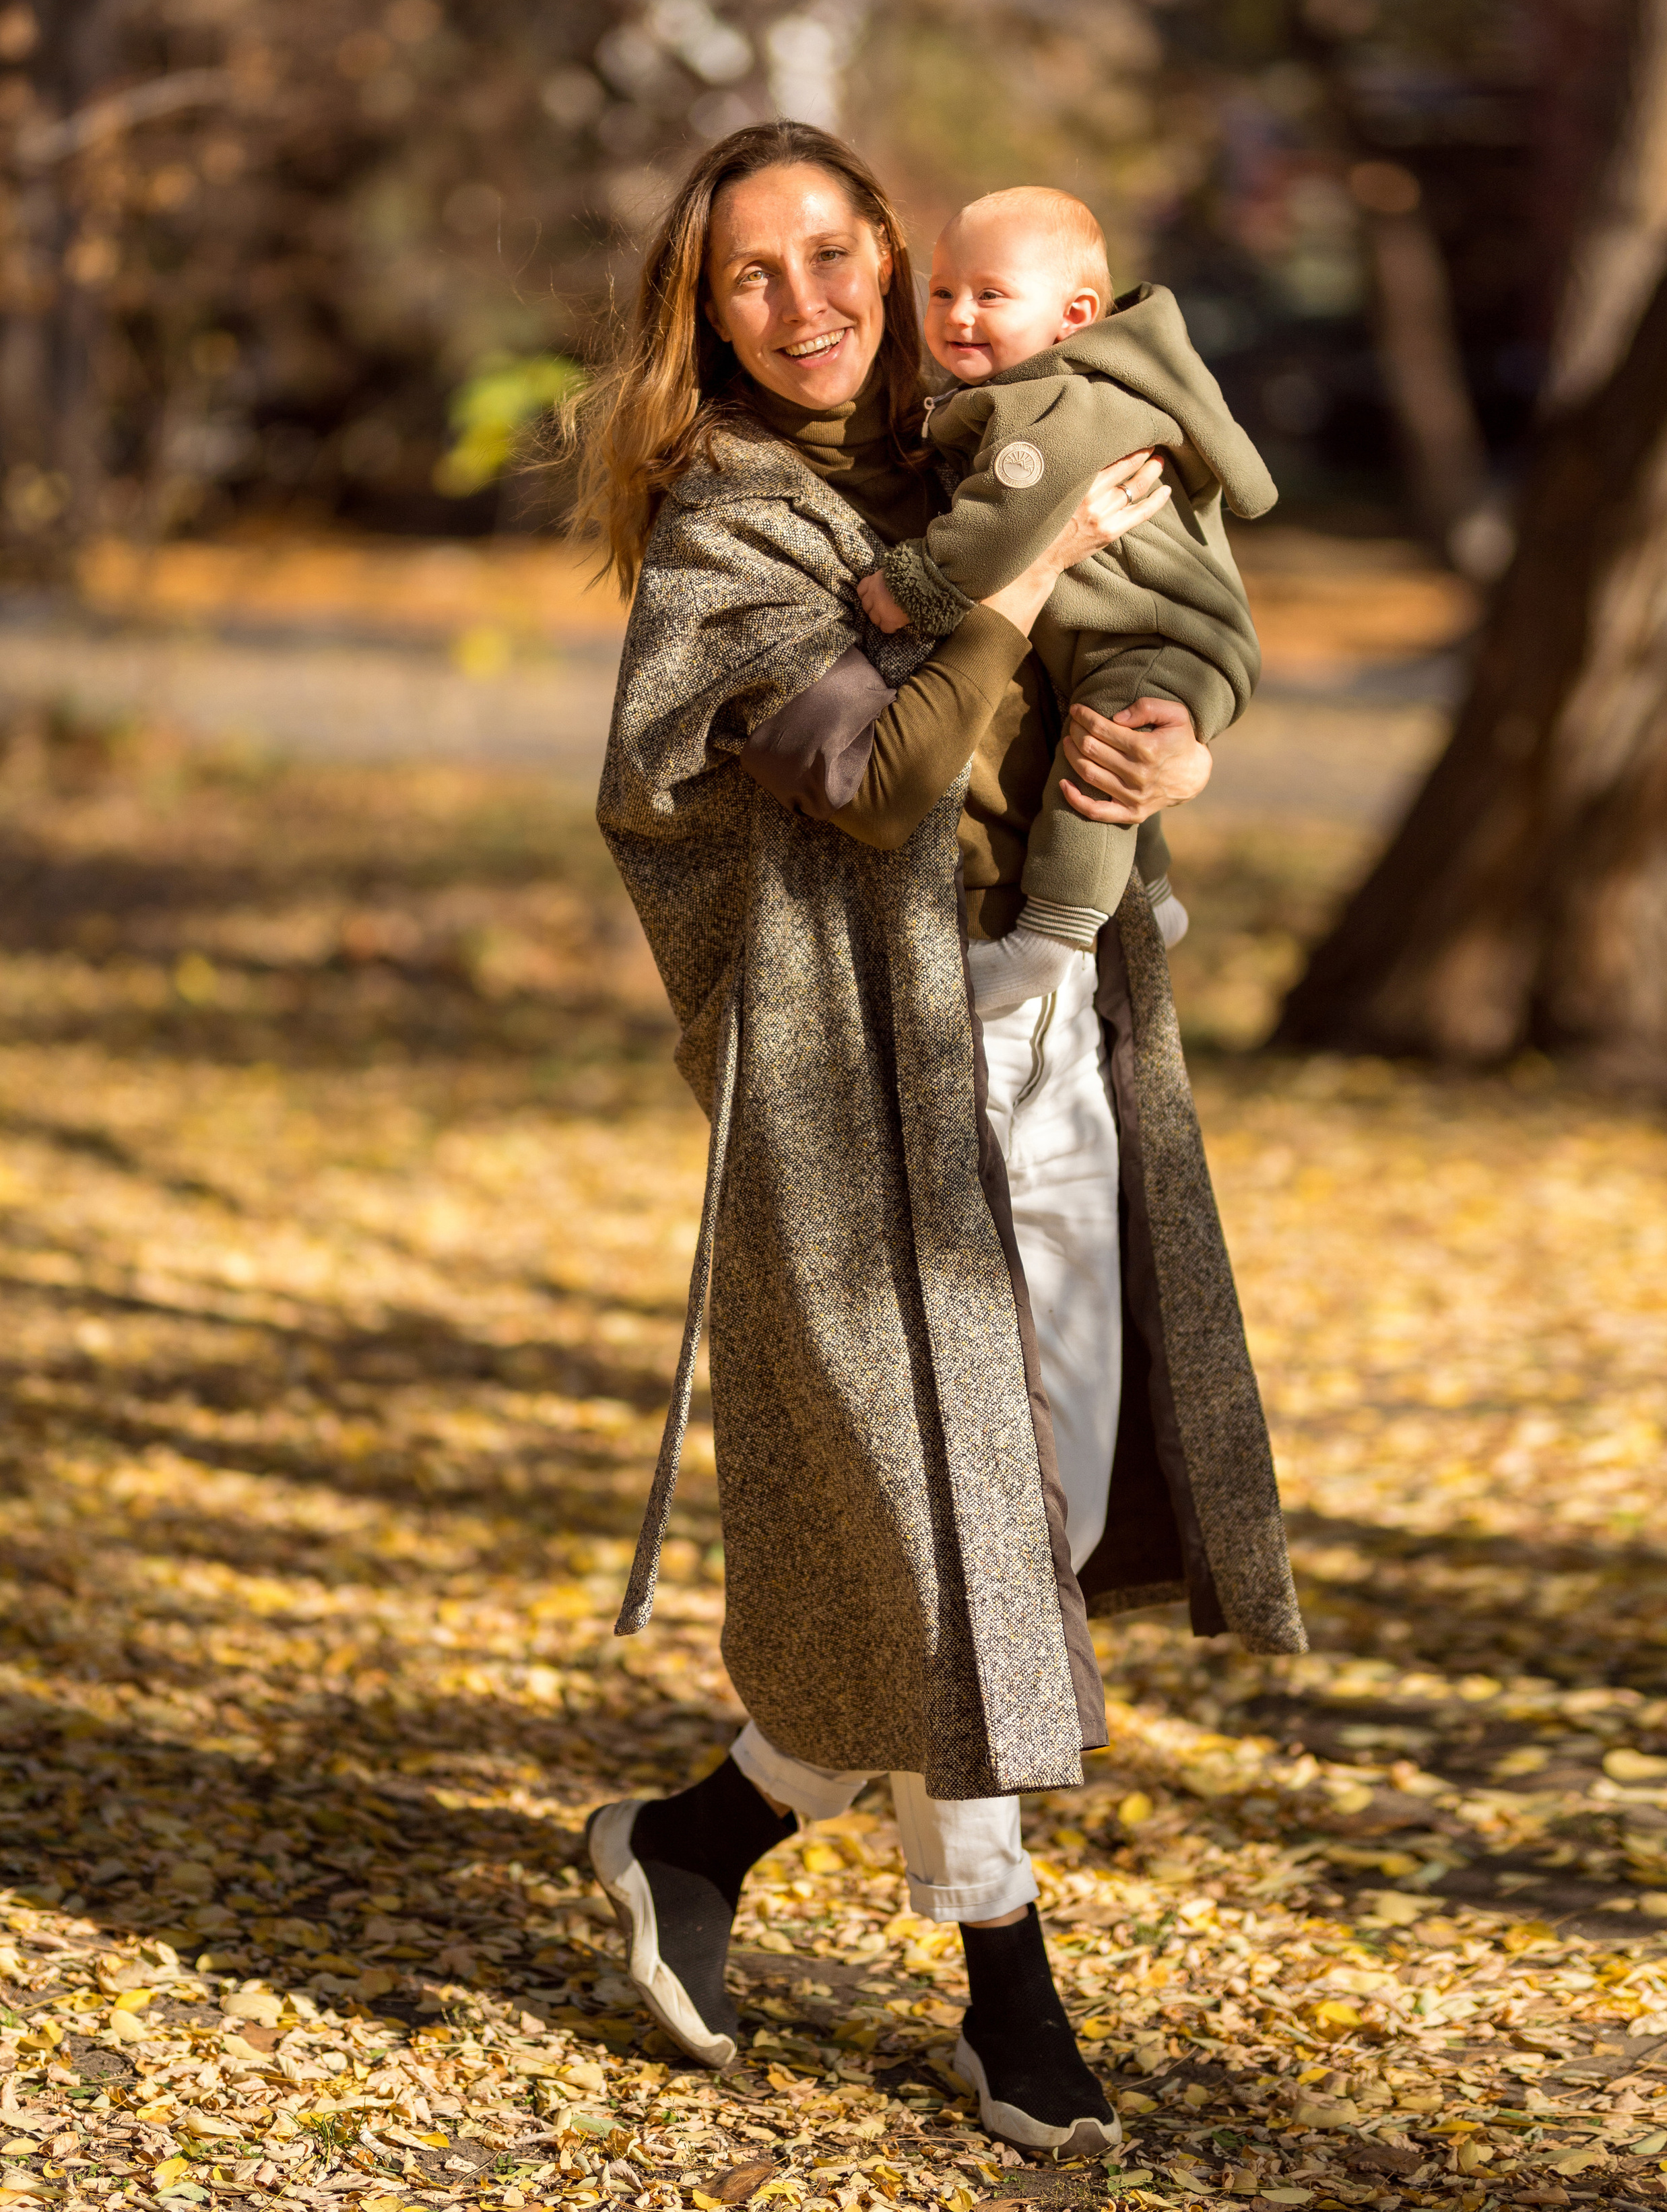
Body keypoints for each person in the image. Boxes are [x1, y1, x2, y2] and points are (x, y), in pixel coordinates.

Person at [575, 120, 1305, 2159]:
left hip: (1046, 1021)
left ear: (897, 263)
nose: (806, 302)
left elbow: (1165, 625)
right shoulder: (730, 519)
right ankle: (1013, 2000)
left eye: (837, 255)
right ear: (697, 317)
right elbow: (874, 788)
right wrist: (1019, 581)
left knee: (1033, 1519)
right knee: (963, 1535)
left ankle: (695, 1837)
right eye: (751, 274)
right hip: (858, 1086)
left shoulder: (986, 438)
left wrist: (1176, 733)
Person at [857, 186, 1275, 1023]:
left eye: (990, 294)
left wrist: (916, 586)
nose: (956, 314)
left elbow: (1004, 513)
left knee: (1095, 774)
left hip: (1162, 639)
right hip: (1157, 635)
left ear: (1075, 314)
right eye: (940, 291)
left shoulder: (1066, 404)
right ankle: (1150, 899)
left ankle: (1047, 941)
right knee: (1106, 761)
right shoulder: (1062, 383)